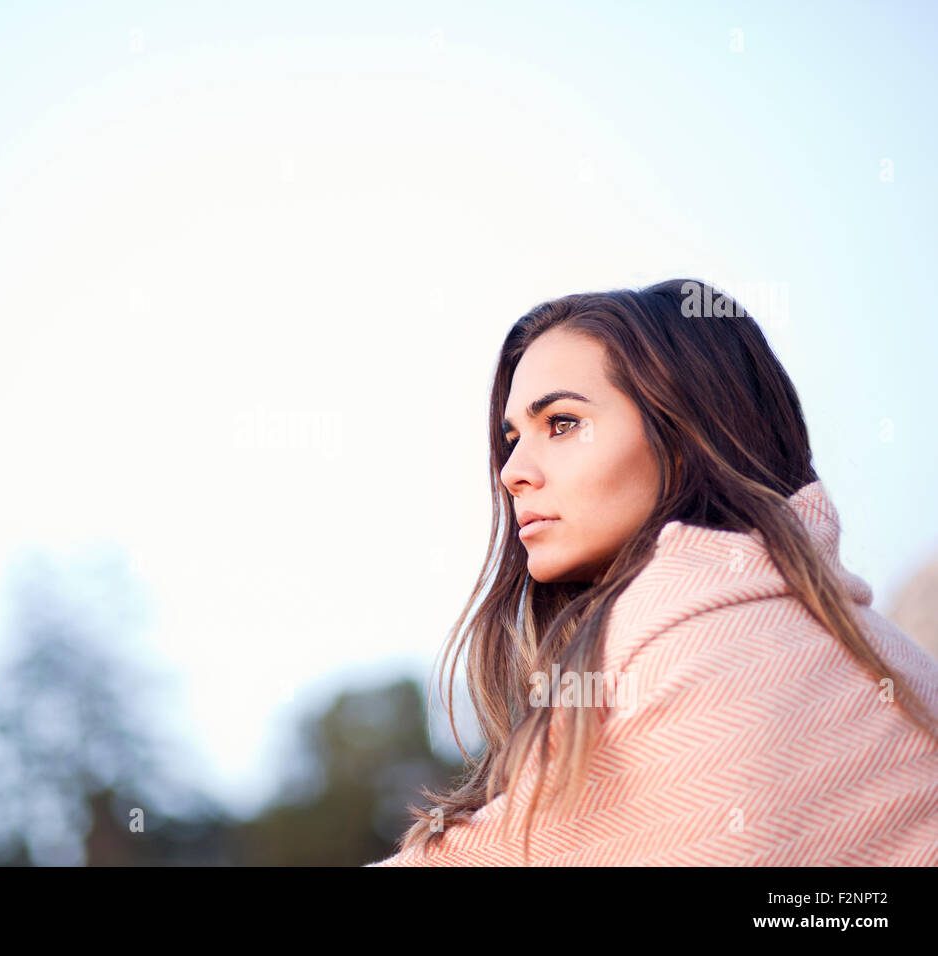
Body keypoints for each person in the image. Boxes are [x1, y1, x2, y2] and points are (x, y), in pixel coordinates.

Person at [366, 279, 938, 866]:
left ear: (685, 436)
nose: (512, 471)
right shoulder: (898, 659)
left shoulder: (680, 644)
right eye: (512, 439)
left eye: (562, 423)